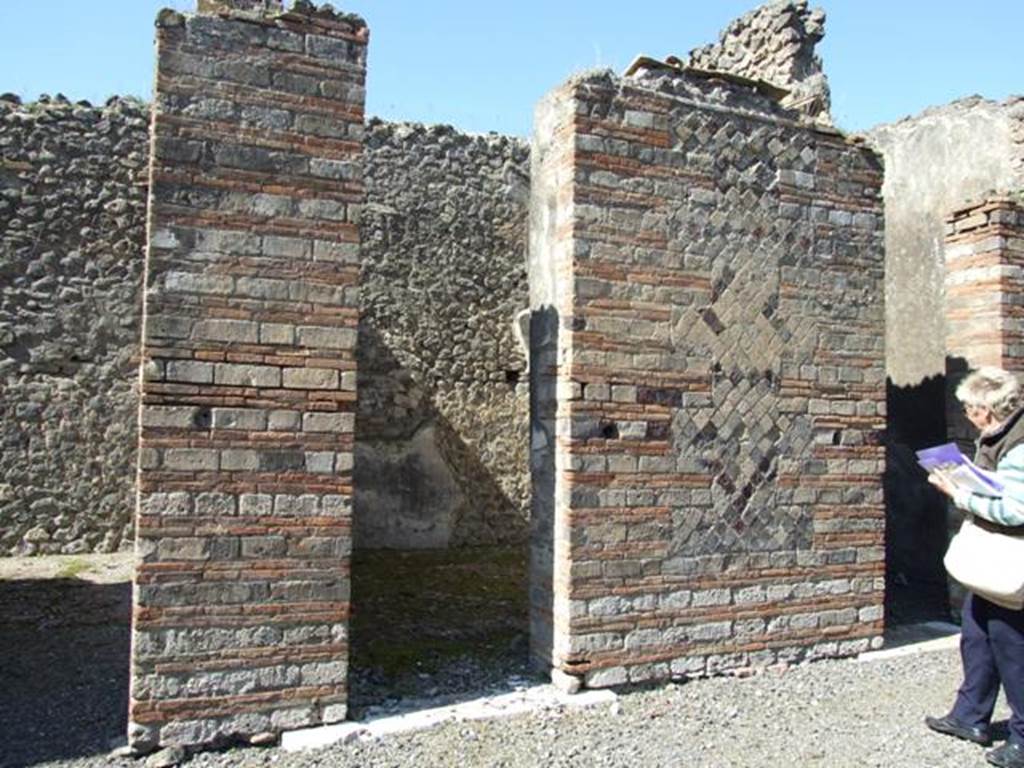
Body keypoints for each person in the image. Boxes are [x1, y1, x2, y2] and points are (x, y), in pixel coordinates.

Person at [927, 367, 1024, 768]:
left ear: (987, 409)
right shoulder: (1003, 437)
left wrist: (959, 494)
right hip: (996, 559)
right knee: (977, 631)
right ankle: (969, 716)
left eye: (969, 408)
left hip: (1011, 561)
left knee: (1011, 645)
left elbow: (1017, 509)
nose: (967, 415)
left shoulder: (1019, 446)